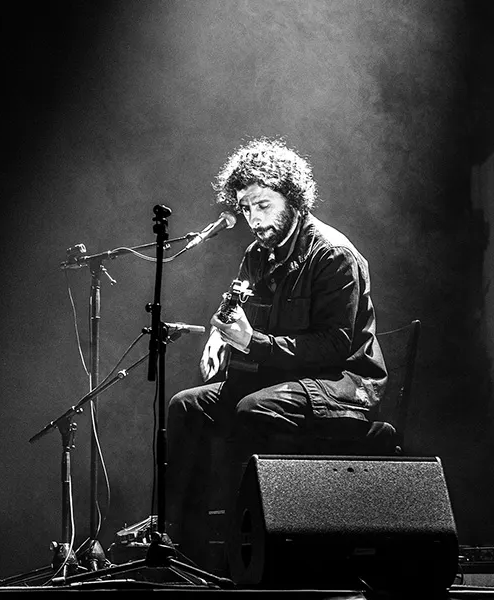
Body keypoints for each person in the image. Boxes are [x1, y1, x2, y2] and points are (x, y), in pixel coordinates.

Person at [164, 137, 388, 555]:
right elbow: (234, 303)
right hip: (282, 378)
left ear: (293, 198)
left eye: (263, 205)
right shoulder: (257, 254)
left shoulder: (333, 254)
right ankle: (185, 546)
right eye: (245, 208)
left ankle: (253, 543)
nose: (253, 218)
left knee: (254, 410)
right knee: (185, 406)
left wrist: (255, 343)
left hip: (339, 385)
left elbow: (334, 346)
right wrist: (219, 333)